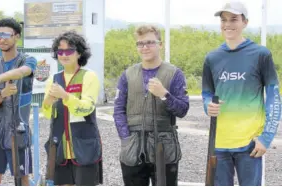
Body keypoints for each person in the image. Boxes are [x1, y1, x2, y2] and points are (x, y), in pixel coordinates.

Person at [202, 1, 280, 186]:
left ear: (245, 22)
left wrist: (266, 138)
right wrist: (208, 106)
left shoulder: (261, 54)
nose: (228, 24)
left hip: (250, 143)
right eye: (224, 20)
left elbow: (274, 97)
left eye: (233, 19)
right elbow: (207, 93)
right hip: (219, 142)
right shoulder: (212, 57)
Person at [113, 25, 189, 186]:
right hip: (133, 148)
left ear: (160, 44)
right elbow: (118, 110)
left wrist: (164, 94)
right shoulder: (127, 75)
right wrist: (126, 138)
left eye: (150, 42)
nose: (145, 47)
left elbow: (182, 109)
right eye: (140, 43)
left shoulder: (174, 74)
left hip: (164, 148)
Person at [40, 31, 103, 186]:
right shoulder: (54, 79)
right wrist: (48, 101)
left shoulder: (89, 76)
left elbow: (87, 108)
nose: (64, 55)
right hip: (59, 146)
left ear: (79, 53)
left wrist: (66, 96)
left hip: (83, 144)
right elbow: (48, 113)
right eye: (60, 51)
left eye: (69, 50)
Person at [0, 18, 37, 186]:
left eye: (6, 35)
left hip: (18, 129)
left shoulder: (28, 60)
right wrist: (3, 93)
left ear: (17, 36)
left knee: (22, 178)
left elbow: (21, 72)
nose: (2, 39)